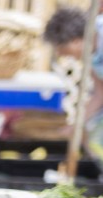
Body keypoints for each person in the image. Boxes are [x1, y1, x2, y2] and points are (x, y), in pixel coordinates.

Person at [43, 6, 103, 151]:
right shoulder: (90, 52)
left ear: (76, 41)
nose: (60, 53)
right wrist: (76, 125)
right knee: (92, 138)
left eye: (60, 47)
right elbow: (100, 93)